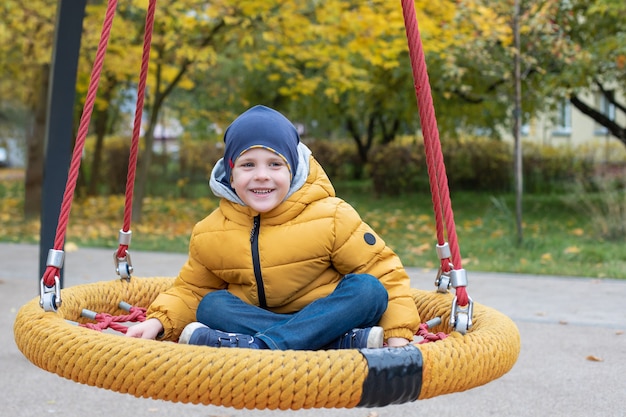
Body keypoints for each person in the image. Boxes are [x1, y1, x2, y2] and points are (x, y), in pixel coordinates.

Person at [126, 105, 420, 350]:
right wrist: (158, 320)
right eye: (248, 165)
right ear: (230, 172)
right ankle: (330, 343)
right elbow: (191, 289)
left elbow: (385, 273)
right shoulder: (210, 232)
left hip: (326, 313)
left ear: (292, 168)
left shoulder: (331, 216)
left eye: (275, 164)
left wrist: (397, 335)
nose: (262, 176)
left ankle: (261, 346)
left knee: (369, 290)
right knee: (211, 304)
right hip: (253, 316)